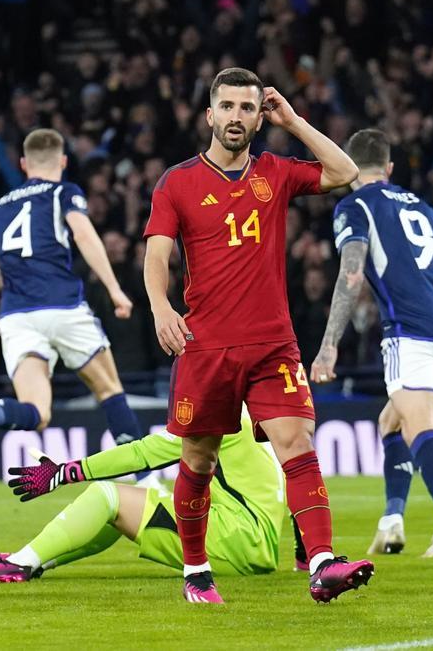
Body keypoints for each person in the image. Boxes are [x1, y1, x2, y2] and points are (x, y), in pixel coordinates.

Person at [144, 67, 366, 604]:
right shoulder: (177, 182)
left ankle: (320, 564)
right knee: (199, 460)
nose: (237, 117)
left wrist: (293, 120)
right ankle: (196, 572)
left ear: (257, 116)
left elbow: (346, 170)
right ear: (210, 114)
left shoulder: (277, 171)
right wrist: (159, 306)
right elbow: (157, 254)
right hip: (206, 347)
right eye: (228, 107)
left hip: (272, 344)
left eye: (248, 108)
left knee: (297, 443)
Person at [312, 128, 433, 558]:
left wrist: (329, 344)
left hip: (411, 331)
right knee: (390, 423)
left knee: (419, 423)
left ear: (350, 167)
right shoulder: (425, 209)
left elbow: (351, 275)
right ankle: (391, 522)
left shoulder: (354, 206)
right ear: (388, 168)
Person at [0, 129, 145, 465]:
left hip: (16, 316)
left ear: (24, 164)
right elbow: (84, 235)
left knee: (37, 412)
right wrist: (115, 289)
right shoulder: (63, 192)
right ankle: (147, 481)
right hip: (62, 305)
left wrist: (17, 280)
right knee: (109, 390)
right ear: (63, 161)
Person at [0, 408, 288, 583]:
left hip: (236, 540)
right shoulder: (248, 414)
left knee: (106, 495)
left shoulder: (218, 413)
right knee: (121, 509)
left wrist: (68, 472)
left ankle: (20, 565)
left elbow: (144, 454)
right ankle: (35, 559)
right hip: (254, 544)